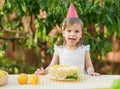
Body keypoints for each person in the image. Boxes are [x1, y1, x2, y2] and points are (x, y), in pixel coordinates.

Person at [34, 3, 100, 76]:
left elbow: (89, 66)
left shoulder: (84, 50)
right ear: (63, 33)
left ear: (81, 34)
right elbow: (51, 66)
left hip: (80, 81)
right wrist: (44, 72)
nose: (73, 34)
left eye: (77, 31)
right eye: (69, 31)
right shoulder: (59, 50)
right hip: (64, 81)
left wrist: (90, 72)